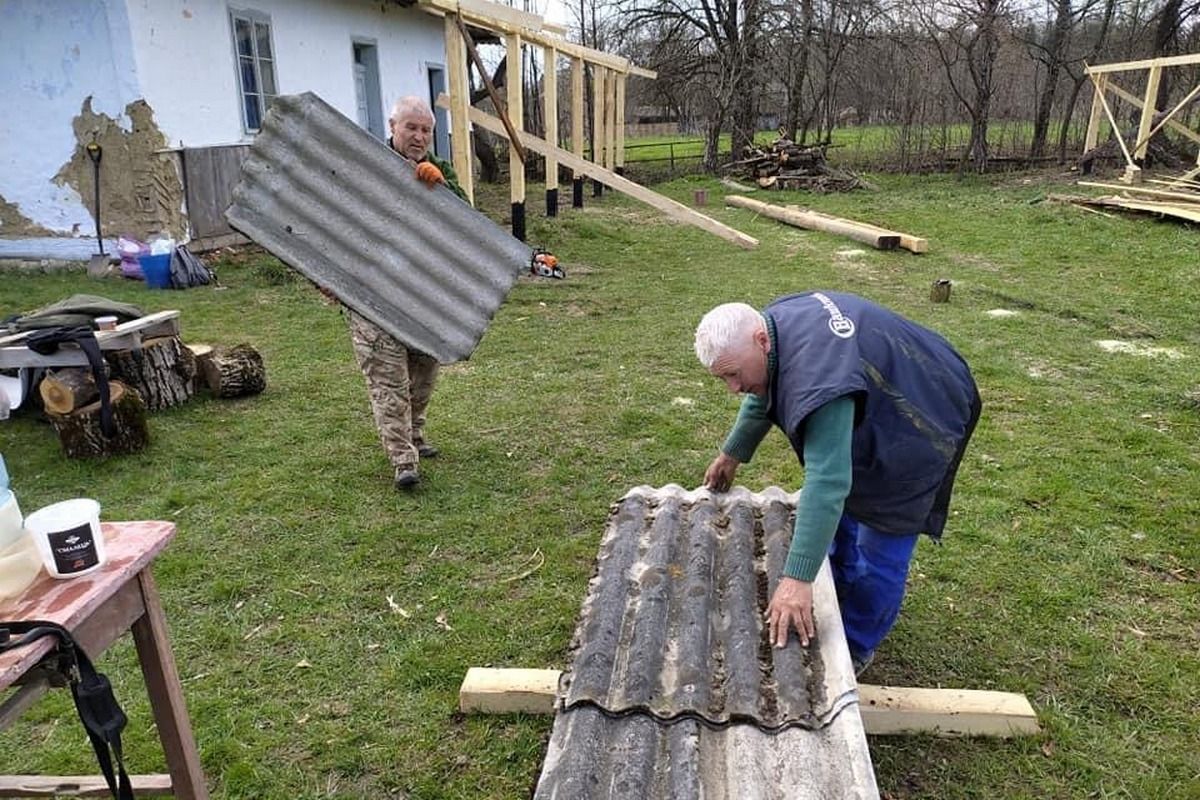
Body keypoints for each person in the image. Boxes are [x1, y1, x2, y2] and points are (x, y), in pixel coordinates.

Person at [694, 291, 981, 675]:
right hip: (881, 383)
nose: (732, 388)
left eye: (733, 374)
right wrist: (733, 452)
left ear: (760, 341)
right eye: (723, 378)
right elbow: (764, 389)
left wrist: (795, 578)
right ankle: (837, 583)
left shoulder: (818, 379)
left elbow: (827, 483)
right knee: (845, 492)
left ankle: (857, 645)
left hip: (925, 408)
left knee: (883, 537)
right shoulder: (773, 327)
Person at [346, 96, 467, 489]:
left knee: (424, 372)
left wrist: (442, 190)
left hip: (423, 296)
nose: (418, 136)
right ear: (393, 127)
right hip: (374, 296)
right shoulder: (370, 166)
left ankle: (414, 434)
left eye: (425, 129)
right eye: (410, 127)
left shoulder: (442, 167)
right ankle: (402, 460)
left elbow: (467, 223)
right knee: (388, 380)